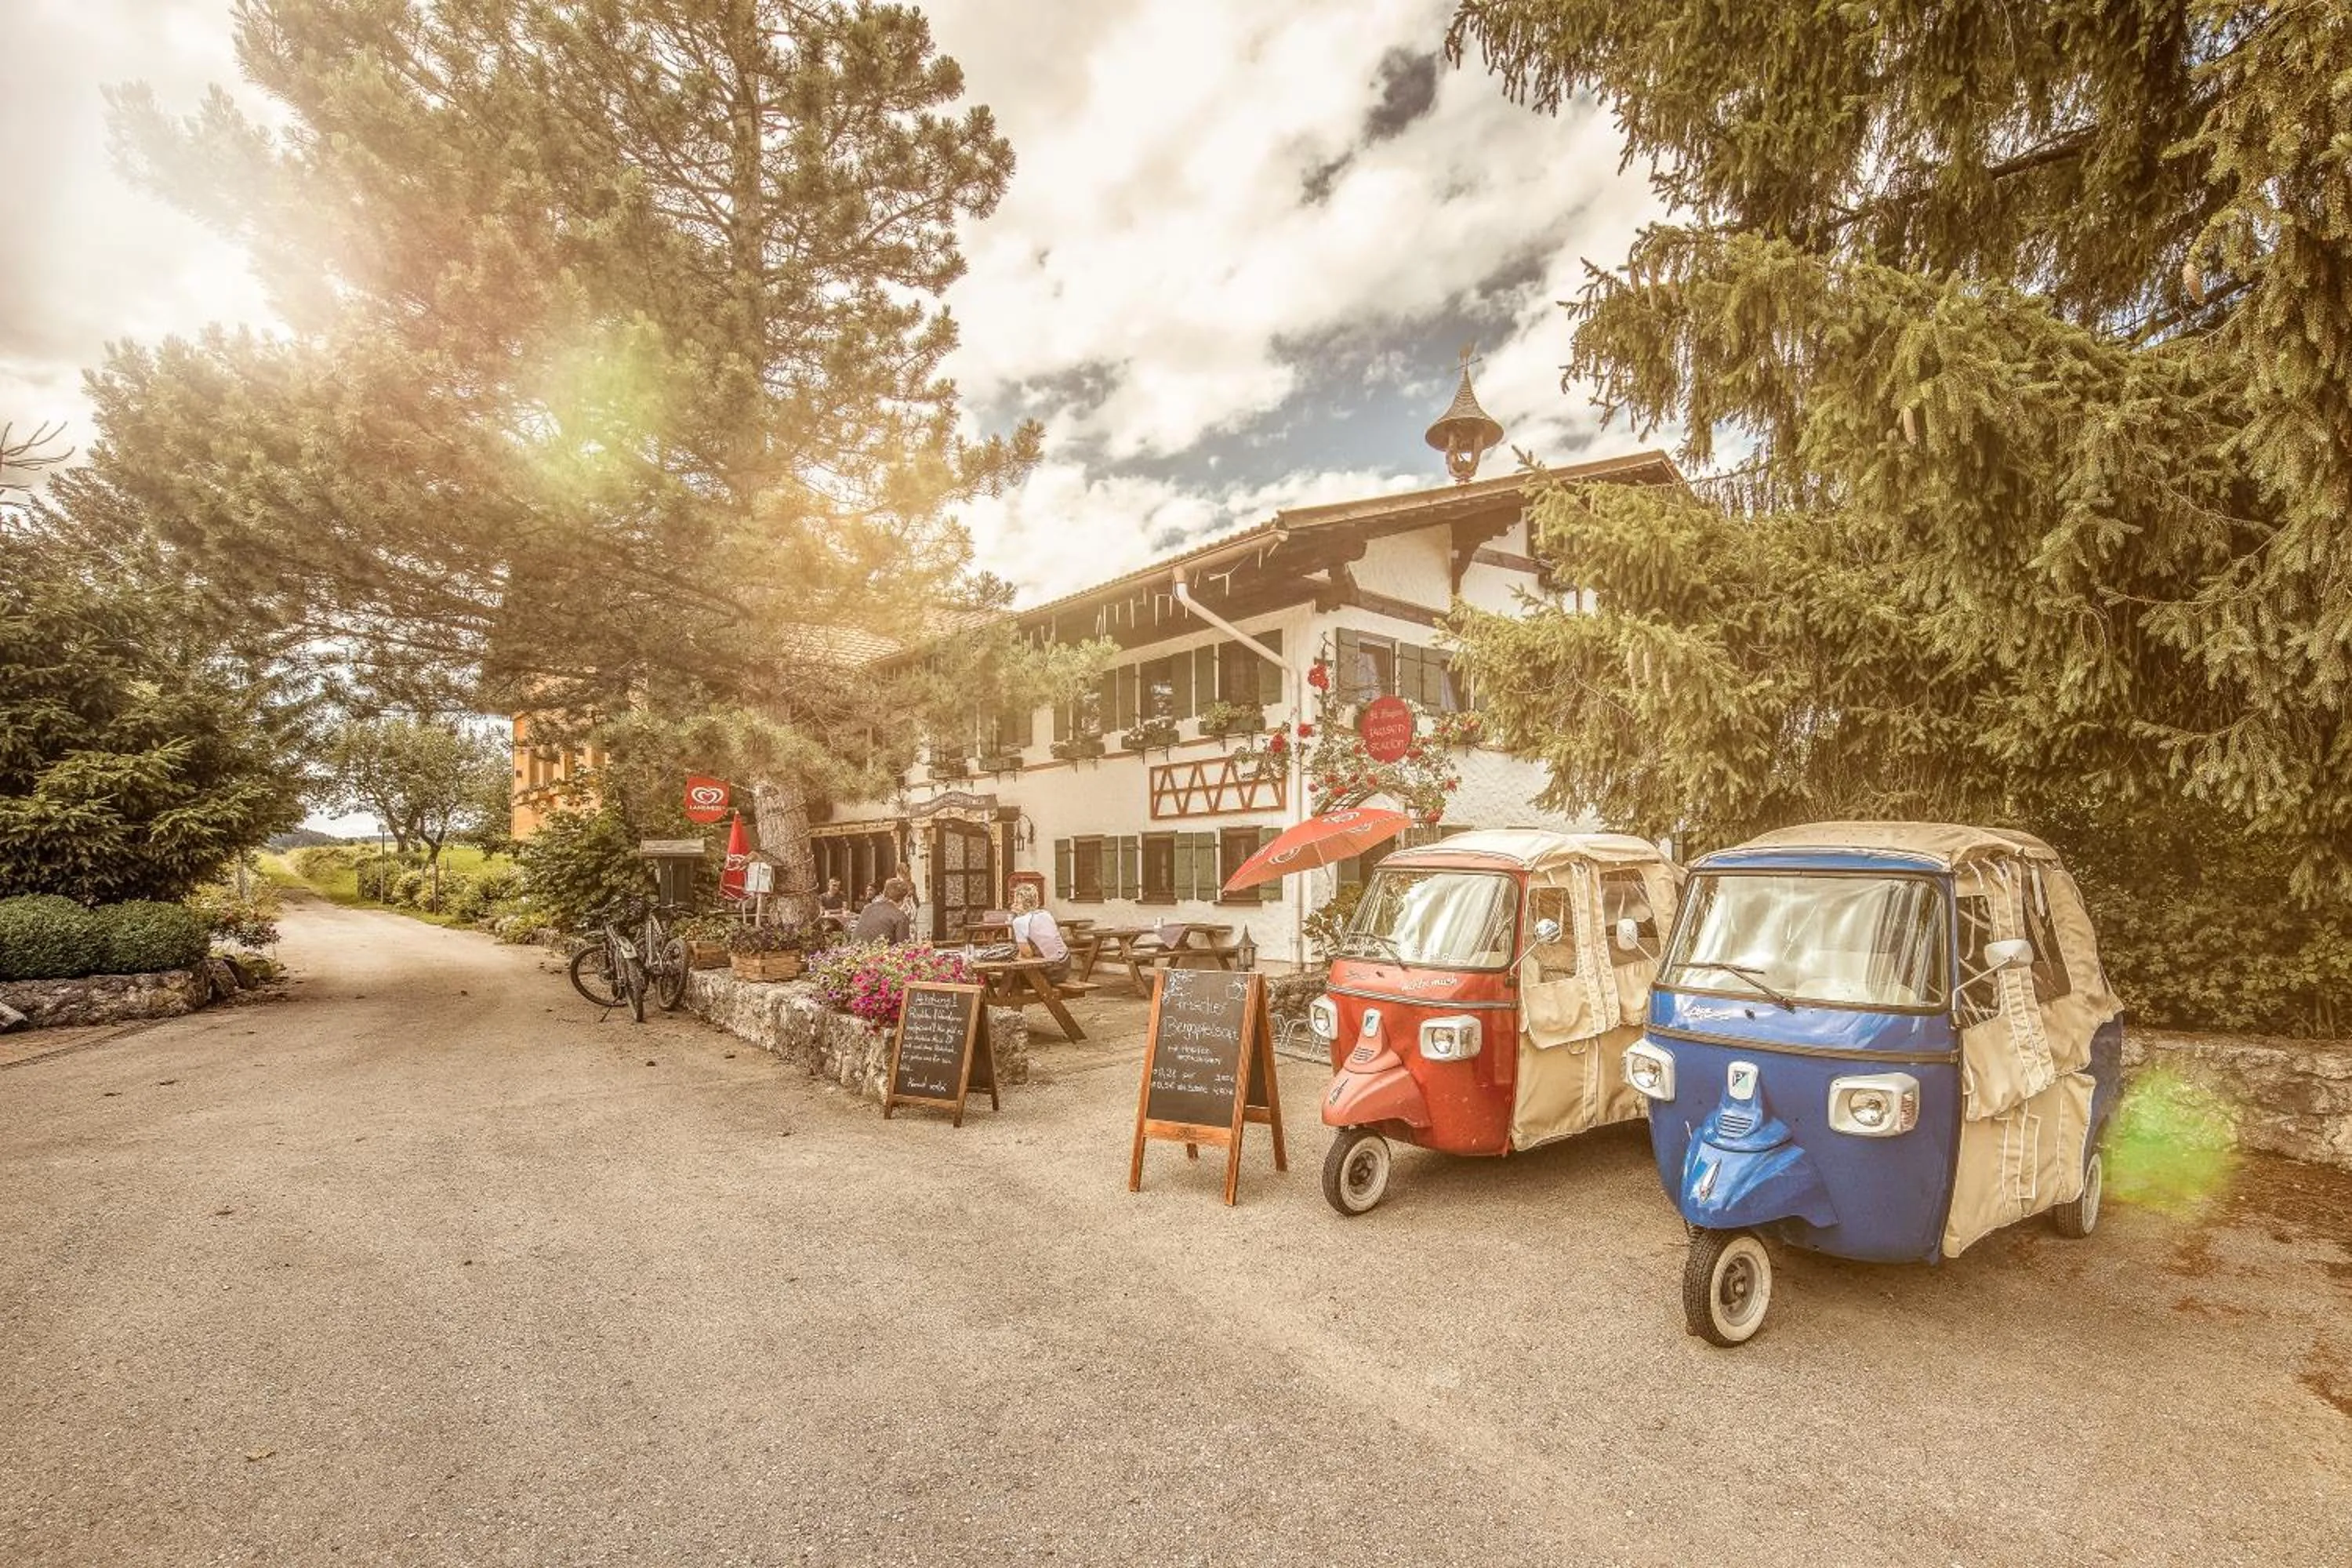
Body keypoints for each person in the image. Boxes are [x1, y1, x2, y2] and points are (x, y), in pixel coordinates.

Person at [1008, 884, 1071, 985]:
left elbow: (1027, 954)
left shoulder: (1019, 921)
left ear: (1026, 904)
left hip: (1050, 970)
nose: (1013, 905)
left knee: (1011, 977)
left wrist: (1015, 917)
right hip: (1065, 966)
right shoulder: (1046, 914)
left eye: (1017, 902)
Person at [853, 877, 913, 944]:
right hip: (880, 949)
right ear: (904, 899)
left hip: (856, 948)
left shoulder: (867, 908)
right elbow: (904, 946)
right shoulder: (900, 917)